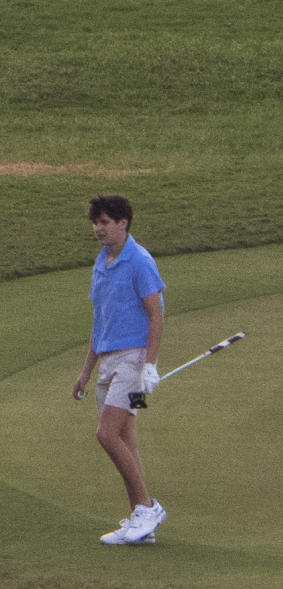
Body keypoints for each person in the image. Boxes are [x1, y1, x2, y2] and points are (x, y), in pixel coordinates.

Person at [73, 195, 168, 543]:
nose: (98, 228)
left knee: (107, 434)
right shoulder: (102, 262)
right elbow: (101, 322)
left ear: (123, 222)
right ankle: (141, 524)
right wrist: (85, 372)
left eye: (104, 222)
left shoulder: (140, 261)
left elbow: (157, 314)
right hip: (109, 363)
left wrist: (150, 366)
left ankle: (148, 507)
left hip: (135, 362)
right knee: (126, 438)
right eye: (95, 222)